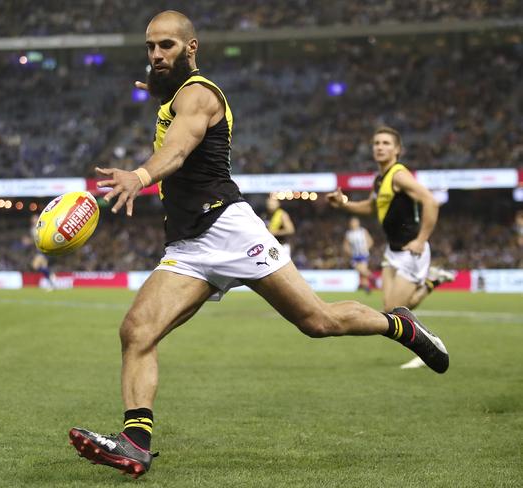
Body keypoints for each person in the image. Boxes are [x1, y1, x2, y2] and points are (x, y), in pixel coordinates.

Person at [68, 12, 449, 479]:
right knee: (137, 332)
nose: (155, 55)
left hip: (230, 229)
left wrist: (141, 175)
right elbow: (169, 105)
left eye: (166, 46)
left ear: (191, 47)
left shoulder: (199, 94)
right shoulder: (173, 94)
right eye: (149, 47)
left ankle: (400, 326)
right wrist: (155, 87)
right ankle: (135, 443)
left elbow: (180, 149)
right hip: (189, 244)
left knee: (318, 321)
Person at [326, 126, 455, 369]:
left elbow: (430, 201)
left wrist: (421, 239)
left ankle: (431, 289)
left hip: (410, 251)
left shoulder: (398, 175)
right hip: (392, 251)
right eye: (376, 143)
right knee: (389, 309)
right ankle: (432, 283)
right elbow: (370, 208)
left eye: (386, 143)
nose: (380, 147)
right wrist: (343, 203)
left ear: (397, 150)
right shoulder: (379, 180)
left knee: (395, 313)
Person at [344, 217, 374, 293]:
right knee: (360, 272)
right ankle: (367, 288)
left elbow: (370, 241)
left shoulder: (363, 231)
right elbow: (345, 245)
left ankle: (373, 278)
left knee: (363, 270)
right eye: (352, 222)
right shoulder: (349, 234)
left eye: (355, 222)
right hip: (354, 255)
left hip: (363, 254)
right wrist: (349, 252)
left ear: (358, 223)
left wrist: (366, 247)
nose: (353, 224)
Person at [30, 214, 56, 290]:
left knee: (35, 266)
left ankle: (51, 276)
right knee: (44, 267)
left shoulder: (42, 225)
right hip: (39, 249)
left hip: (43, 249)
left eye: (35, 218)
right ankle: (51, 282)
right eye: (33, 219)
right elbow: (35, 241)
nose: (33, 220)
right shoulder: (32, 229)